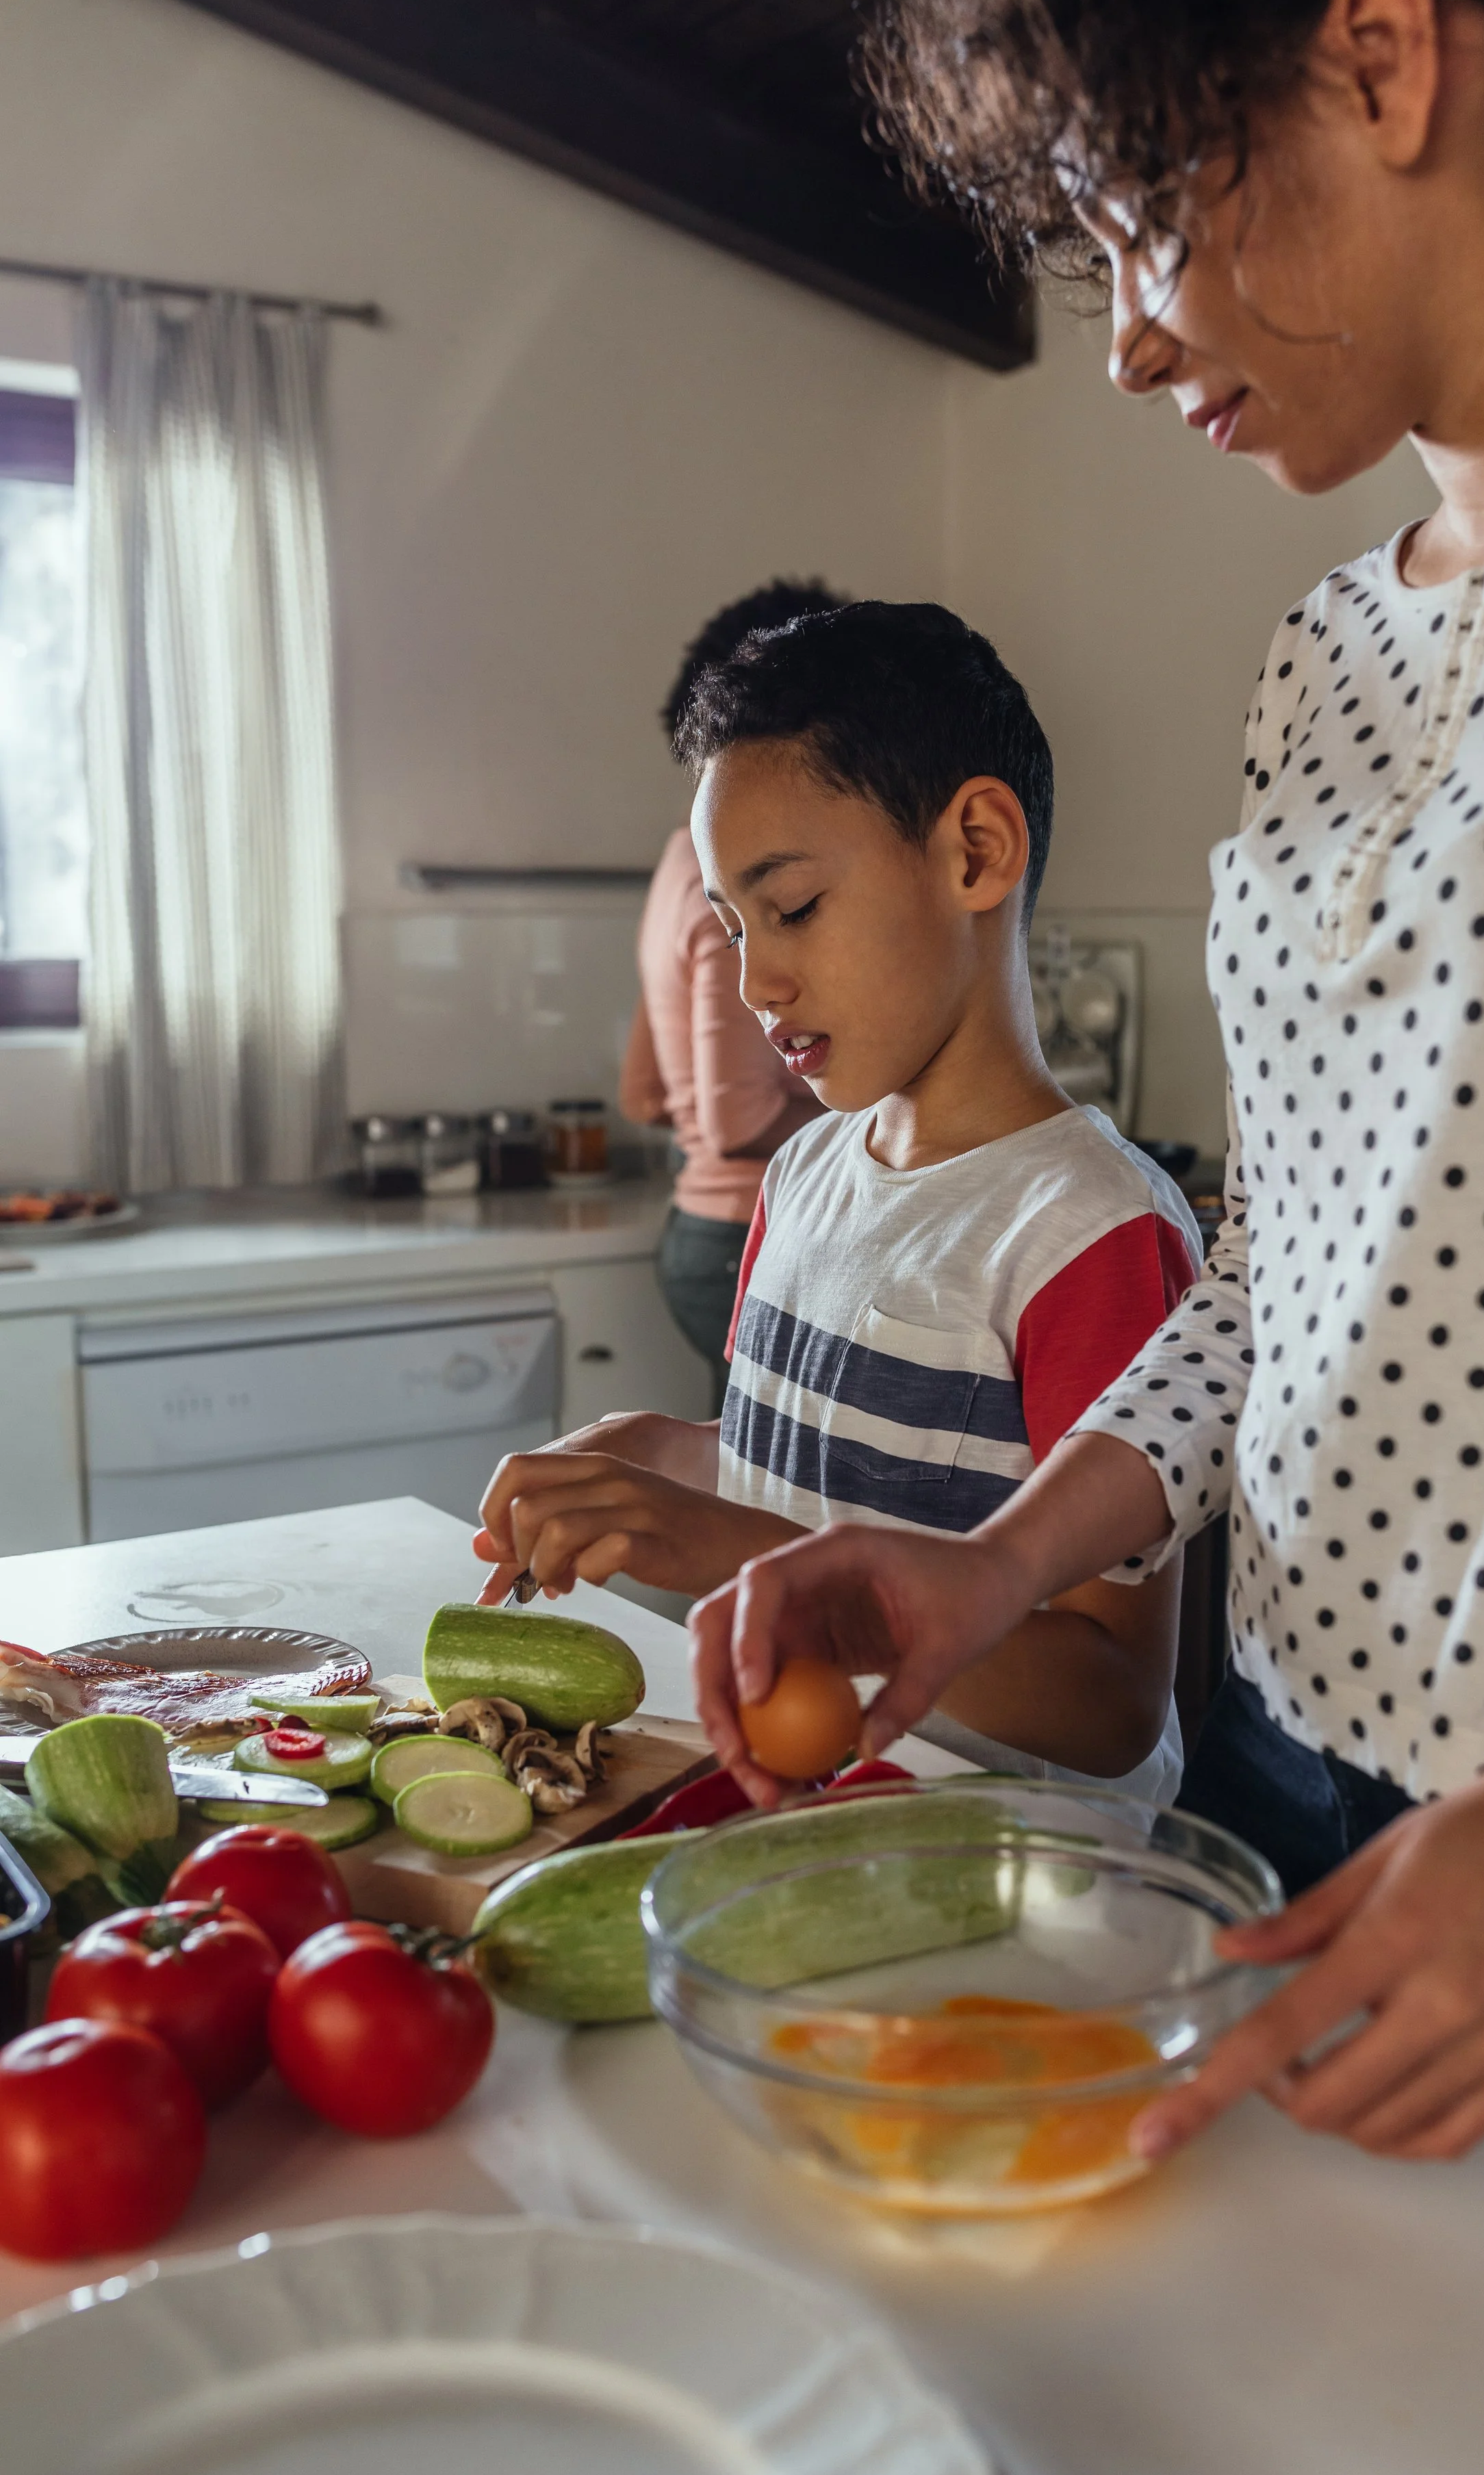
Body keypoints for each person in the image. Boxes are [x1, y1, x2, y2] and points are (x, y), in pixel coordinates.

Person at [689, 0, 1484, 2165]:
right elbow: (1285, 1265)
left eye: (1142, 209)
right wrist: (1004, 1564)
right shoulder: (1334, 655)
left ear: (1381, 52)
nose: (1131, 333)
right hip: (1309, 1775)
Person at [477, 601, 1201, 1791]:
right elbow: (839, 1468)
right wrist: (663, 1458)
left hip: (1010, 1874)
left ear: (975, 850)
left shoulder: (1090, 1231)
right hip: (802, 1811)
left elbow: (1112, 1701)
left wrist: (722, 1543)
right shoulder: (809, 1170)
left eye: (795, 907)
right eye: (730, 926)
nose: (759, 982)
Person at [620, 580, 844, 1409]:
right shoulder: (740, 894)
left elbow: (642, 1093)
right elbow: (738, 1119)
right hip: (742, 1233)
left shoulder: (681, 868)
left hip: (697, 1234)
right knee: (762, 1500)